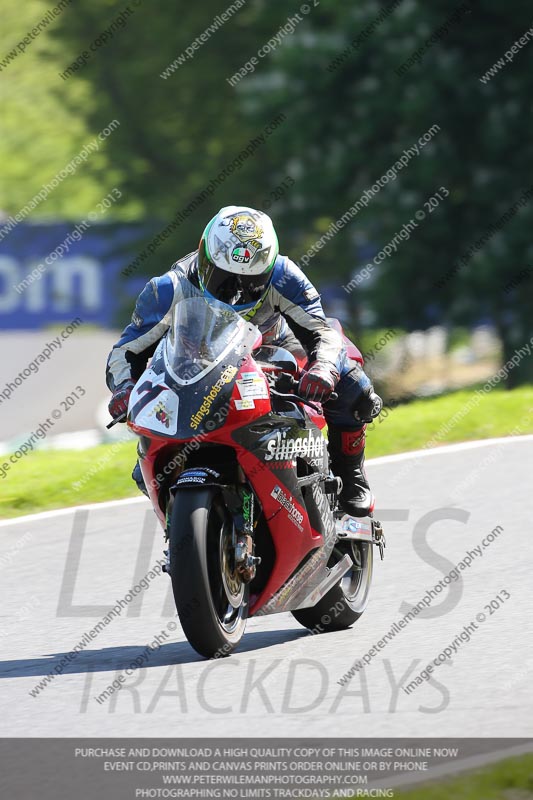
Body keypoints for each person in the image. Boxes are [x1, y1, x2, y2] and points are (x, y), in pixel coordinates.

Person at [106, 206, 382, 517]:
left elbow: (321, 330)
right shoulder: (167, 289)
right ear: (204, 258)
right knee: (147, 467)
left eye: (250, 282)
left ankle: (351, 473)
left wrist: (323, 368)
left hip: (278, 346)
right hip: (199, 363)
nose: (236, 292)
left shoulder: (285, 275)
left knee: (354, 387)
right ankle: (185, 529)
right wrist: (123, 389)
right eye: (225, 279)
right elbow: (126, 351)